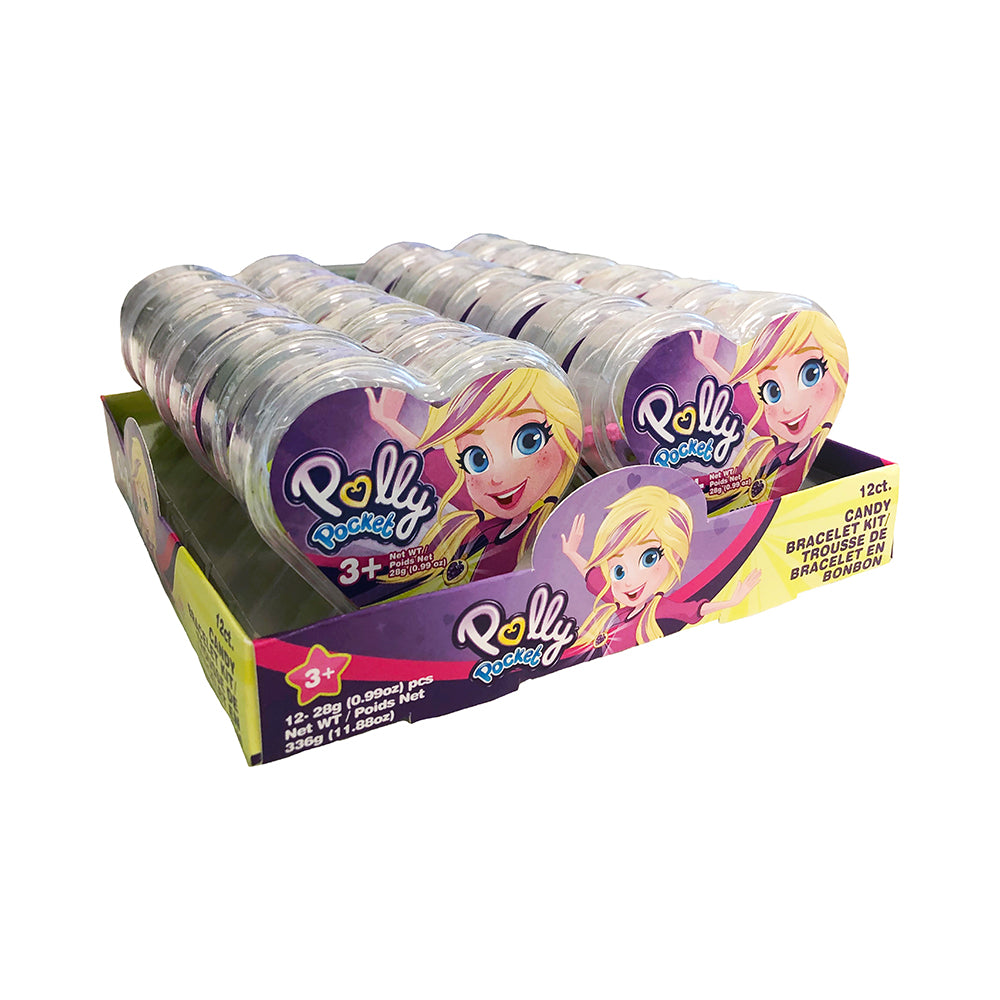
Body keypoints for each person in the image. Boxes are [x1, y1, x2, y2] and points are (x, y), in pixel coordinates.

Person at [366, 367, 582, 589]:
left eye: (528, 440)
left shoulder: (552, 517)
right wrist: (388, 422)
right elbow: (430, 460)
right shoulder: (485, 517)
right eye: (476, 459)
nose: (498, 478)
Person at [560, 486, 760, 658]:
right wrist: (571, 552)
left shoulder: (655, 609)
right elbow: (593, 576)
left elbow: (692, 610)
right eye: (619, 571)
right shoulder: (616, 601)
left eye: (649, 558)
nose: (630, 582)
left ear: (675, 554)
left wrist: (731, 603)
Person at [691, 309, 849, 511]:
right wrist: (707, 360)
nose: (789, 408)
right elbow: (738, 394)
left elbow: (737, 392)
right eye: (772, 391)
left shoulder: (815, 443)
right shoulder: (776, 445)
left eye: (810, 373)